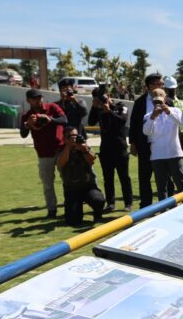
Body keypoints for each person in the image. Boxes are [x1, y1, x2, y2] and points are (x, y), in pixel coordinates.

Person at [19, 88, 67, 218]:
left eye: (40, 97)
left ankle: (70, 205)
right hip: (43, 153)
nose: (38, 100)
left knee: (67, 180)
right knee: (47, 184)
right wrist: (27, 125)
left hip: (60, 149)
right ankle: (52, 210)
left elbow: (64, 120)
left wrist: (50, 119)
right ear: (28, 100)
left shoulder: (52, 107)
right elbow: (23, 135)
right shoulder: (27, 115)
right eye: (35, 98)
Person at [88, 85, 133, 213]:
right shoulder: (98, 109)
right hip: (106, 149)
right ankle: (111, 203)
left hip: (120, 148)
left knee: (124, 177)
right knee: (108, 178)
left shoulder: (120, 107)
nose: (103, 100)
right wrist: (94, 106)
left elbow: (122, 121)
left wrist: (109, 111)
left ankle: (128, 203)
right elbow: (91, 122)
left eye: (103, 97)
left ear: (108, 96)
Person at [142, 88, 183, 201]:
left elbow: (181, 123)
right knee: (161, 189)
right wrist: (153, 117)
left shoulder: (175, 110)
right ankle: (164, 211)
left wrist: (168, 112)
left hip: (175, 154)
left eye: (160, 101)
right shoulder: (148, 116)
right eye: (155, 102)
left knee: (182, 184)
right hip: (158, 156)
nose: (158, 104)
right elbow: (146, 132)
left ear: (165, 99)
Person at [128, 73, 165, 207]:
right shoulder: (140, 102)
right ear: (149, 86)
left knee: (164, 177)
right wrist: (132, 143)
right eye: (158, 84)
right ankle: (146, 204)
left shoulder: (169, 101)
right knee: (145, 176)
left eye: (162, 84)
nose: (161, 87)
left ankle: (166, 204)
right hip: (145, 145)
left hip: (163, 145)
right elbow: (134, 123)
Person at [56, 126, 105, 225]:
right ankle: (76, 211)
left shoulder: (84, 147)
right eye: (70, 136)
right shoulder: (60, 151)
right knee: (73, 221)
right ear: (64, 138)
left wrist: (84, 150)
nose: (74, 138)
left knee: (98, 200)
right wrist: (68, 147)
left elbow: (91, 161)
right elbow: (61, 163)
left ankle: (97, 215)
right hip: (71, 190)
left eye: (75, 135)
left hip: (88, 187)